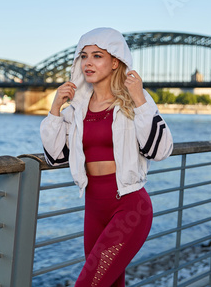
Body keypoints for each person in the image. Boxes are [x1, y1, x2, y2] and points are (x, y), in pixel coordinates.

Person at [40, 27, 173, 286]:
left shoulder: (134, 101)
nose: (88, 62)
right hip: (94, 207)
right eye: (84, 56)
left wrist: (139, 99)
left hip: (129, 207)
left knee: (88, 283)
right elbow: (55, 157)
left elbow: (160, 150)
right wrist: (56, 107)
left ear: (115, 62)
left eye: (97, 56)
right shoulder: (77, 109)